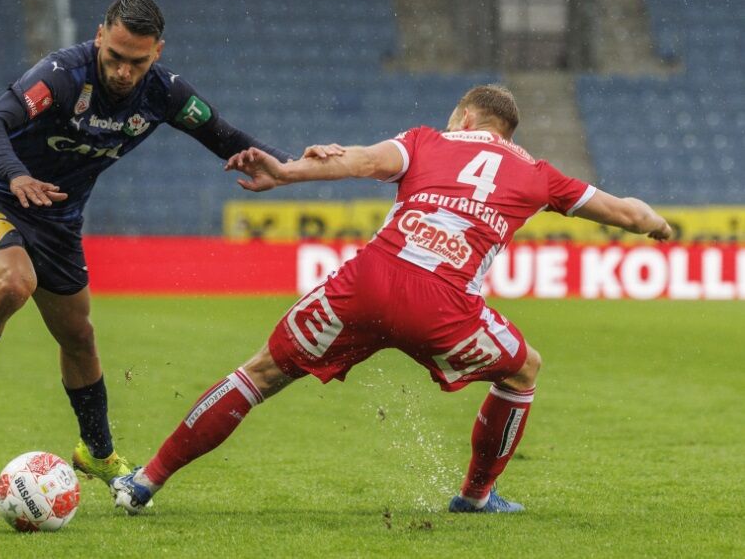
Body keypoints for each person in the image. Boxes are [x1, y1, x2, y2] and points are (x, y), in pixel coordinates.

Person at [109, 84, 673, 514]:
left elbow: (356, 160)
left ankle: (145, 482)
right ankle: (476, 497)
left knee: (259, 374)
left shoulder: (426, 140)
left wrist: (284, 173)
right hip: (445, 311)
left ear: (467, 119)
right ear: (506, 134)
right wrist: (659, 228)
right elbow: (627, 212)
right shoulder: (539, 175)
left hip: (366, 285)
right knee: (524, 370)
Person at [0, 0, 291, 490]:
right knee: (14, 284)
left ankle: (97, 453)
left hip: (57, 221)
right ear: (100, 36)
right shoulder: (61, 74)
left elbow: (227, 138)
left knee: (79, 337)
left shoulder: (165, 93)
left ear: (157, 52)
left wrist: (300, 166)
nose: (122, 71)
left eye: (136, 61)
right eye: (114, 56)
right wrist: (15, 177)